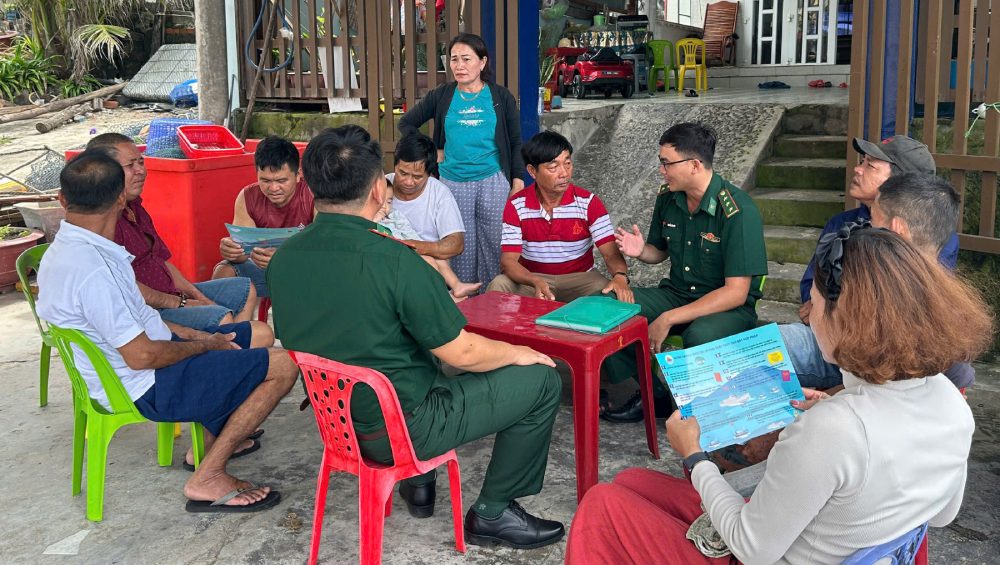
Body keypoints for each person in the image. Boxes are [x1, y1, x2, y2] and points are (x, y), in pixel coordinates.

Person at [566, 224, 990, 564]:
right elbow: (941, 514)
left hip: (765, 551)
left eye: (815, 302)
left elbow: (753, 549)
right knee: (632, 480)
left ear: (846, 319)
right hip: (847, 541)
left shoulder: (835, 431)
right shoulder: (950, 401)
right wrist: (836, 406)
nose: (808, 312)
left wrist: (694, 456)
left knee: (603, 502)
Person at [268, 125, 566, 549]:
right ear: (378, 188)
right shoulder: (394, 258)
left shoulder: (284, 259)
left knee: (421, 369)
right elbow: (461, 350)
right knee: (541, 380)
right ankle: (494, 513)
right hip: (404, 427)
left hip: (338, 425)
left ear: (308, 183)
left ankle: (419, 483)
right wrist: (519, 351)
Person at [38, 151, 299, 512]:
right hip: (144, 384)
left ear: (62, 199)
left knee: (247, 338)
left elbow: (141, 319)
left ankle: (207, 446)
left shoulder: (64, 252)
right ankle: (208, 476)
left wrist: (195, 337)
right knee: (283, 364)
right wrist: (205, 346)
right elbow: (142, 356)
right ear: (119, 198)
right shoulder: (94, 269)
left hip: (140, 364)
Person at [602, 123, 768, 424]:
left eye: (667, 163)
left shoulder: (738, 211)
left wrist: (668, 318)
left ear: (694, 165)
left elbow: (736, 293)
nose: (661, 170)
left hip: (725, 306)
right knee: (606, 310)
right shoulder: (669, 196)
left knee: (700, 335)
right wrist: (641, 251)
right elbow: (660, 251)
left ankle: (702, 411)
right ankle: (656, 397)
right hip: (676, 294)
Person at [781, 173, 975, 390]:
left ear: (895, 230)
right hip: (844, 363)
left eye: (872, 218)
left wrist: (827, 405)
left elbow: (883, 390)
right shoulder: (907, 279)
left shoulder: (926, 313)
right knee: (758, 348)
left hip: (857, 377)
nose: (865, 226)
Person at [84, 133, 258, 331]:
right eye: (131, 165)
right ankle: (224, 352)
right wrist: (181, 303)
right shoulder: (104, 222)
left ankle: (232, 350)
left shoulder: (135, 206)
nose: (140, 170)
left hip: (171, 293)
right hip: (146, 310)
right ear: (104, 171)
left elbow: (161, 261)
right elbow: (125, 288)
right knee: (221, 319)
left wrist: (199, 297)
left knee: (245, 290)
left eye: (141, 162)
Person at [399, 32, 525, 287]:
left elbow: (514, 141)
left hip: (492, 180)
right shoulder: (442, 95)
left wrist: (518, 178)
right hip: (453, 182)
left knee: (495, 242)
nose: (459, 66)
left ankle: (496, 300)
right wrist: (432, 151)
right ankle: (465, 301)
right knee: (460, 246)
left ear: (483, 62)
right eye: (454, 59)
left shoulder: (500, 97)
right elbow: (407, 123)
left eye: (467, 59)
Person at [797, 134, 959, 325]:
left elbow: (909, 301)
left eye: (870, 165)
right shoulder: (841, 222)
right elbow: (813, 283)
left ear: (900, 184)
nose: (857, 169)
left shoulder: (935, 236)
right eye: (862, 162)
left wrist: (831, 306)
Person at [487, 130, 634, 303]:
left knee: (611, 295)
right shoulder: (516, 205)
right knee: (499, 286)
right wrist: (535, 281)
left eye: (568, 163)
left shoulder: (589, 202)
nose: (564, 173)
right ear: (532, 171)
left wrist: (620, 276)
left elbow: (610, 254)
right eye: (553, 167)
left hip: (581, 279)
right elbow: (508, 262)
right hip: (532, 279)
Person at [213, 135, 314, 300]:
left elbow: (326, 250)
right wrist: (233, 251)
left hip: (304, 272)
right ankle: (225, 324)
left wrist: (285, 260)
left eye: (282, 180)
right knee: (224, 270)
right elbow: (243, 253)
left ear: (298, 175)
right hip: (265, 271)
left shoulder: (313, 195)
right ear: (256, 174)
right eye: (265, 180)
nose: (273, 188)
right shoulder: (247, 197)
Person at [373, 182, 481, 300]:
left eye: (389, 202)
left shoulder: (394, 215)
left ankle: (456, 285)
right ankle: (442, 296)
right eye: (381, 201)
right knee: (429, 261)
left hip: (408, 246)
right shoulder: (371, 218)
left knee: (438, 258)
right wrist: (376, 220)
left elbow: (407, 230)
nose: (385, 206)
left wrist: (419, 245)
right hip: (396, 253)